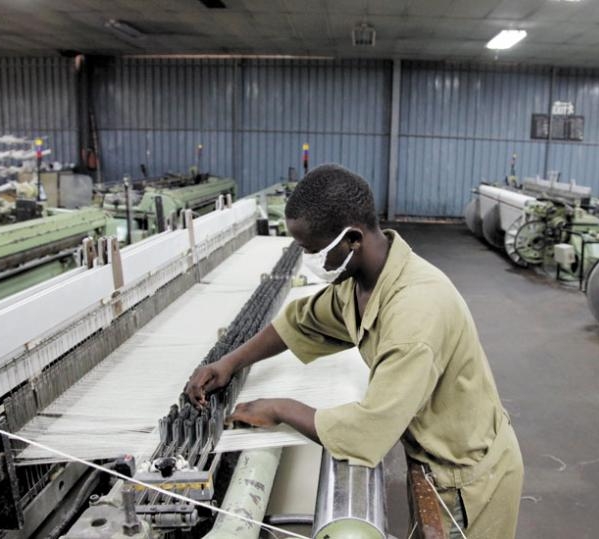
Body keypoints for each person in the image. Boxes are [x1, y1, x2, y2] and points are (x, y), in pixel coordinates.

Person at [185, 164, 523, 538]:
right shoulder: (362, 281)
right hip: (433, 460)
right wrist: (230, 362)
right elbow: (301, 322)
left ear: (352, 240)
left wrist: (279, 408)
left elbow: (367, 435)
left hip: (468, 480)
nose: (306, 257)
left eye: (310, 249)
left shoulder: (414, 314)